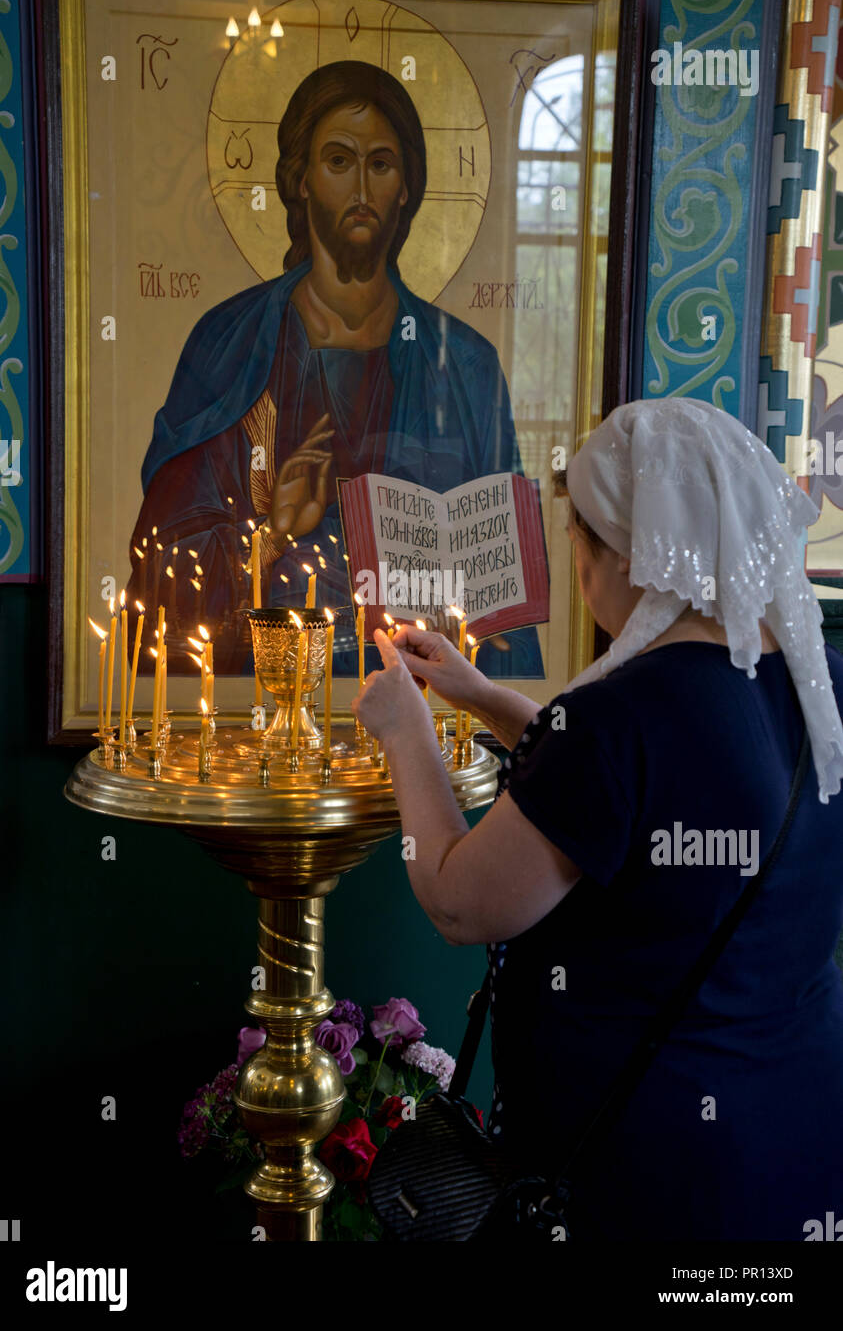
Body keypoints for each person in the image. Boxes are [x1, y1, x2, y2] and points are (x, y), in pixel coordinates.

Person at [352, 396, 843, 1241]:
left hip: (641, 1170)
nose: (579, 570)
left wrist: (404, 733)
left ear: (628, 553)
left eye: (578, 543)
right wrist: (478, 695)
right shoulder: (817, 676)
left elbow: (457, 901)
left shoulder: (623, 718)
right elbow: (624, 798)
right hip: (793, 1131)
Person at [124, 60, 542, 679]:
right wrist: (265, 535)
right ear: (300, 180)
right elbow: (163, 564)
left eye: (381, 164)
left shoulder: (467, 364)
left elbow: (506, 611)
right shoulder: (227, 343)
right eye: (339, 161)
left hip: (421, 691)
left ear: (406, 186)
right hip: (261, 692)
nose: (363, 190)